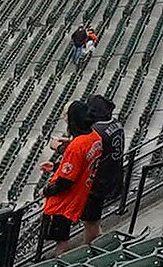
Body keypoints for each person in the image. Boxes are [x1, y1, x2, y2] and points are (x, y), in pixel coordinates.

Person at [38, 94, 115, 250]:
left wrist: (45, 191)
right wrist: (55, 166)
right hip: (82, 192)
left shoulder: (77, 146)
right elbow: (80, 164)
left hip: (65, 200)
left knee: (61, 240)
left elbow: (65, 182)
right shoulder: (94, 137)